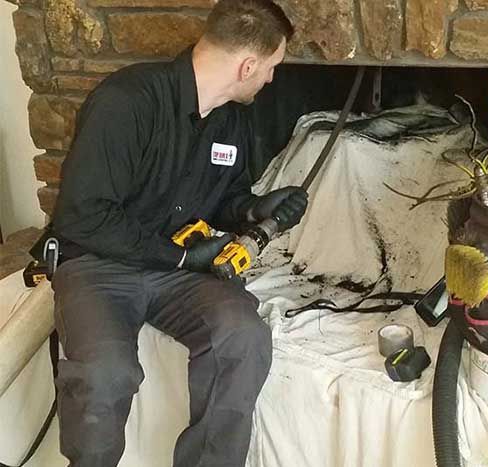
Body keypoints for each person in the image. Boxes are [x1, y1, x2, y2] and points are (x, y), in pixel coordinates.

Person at [47, 1, 307, 466]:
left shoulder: (230, 118)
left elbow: (225, 196)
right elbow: (82, 217)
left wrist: (253, 207)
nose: (270, 79)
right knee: (107, 373)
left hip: (178, 269)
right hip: (100, 265)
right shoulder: (126, 101)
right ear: (248, 65)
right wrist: (184, 258)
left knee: (243, 337)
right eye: (271, 68)